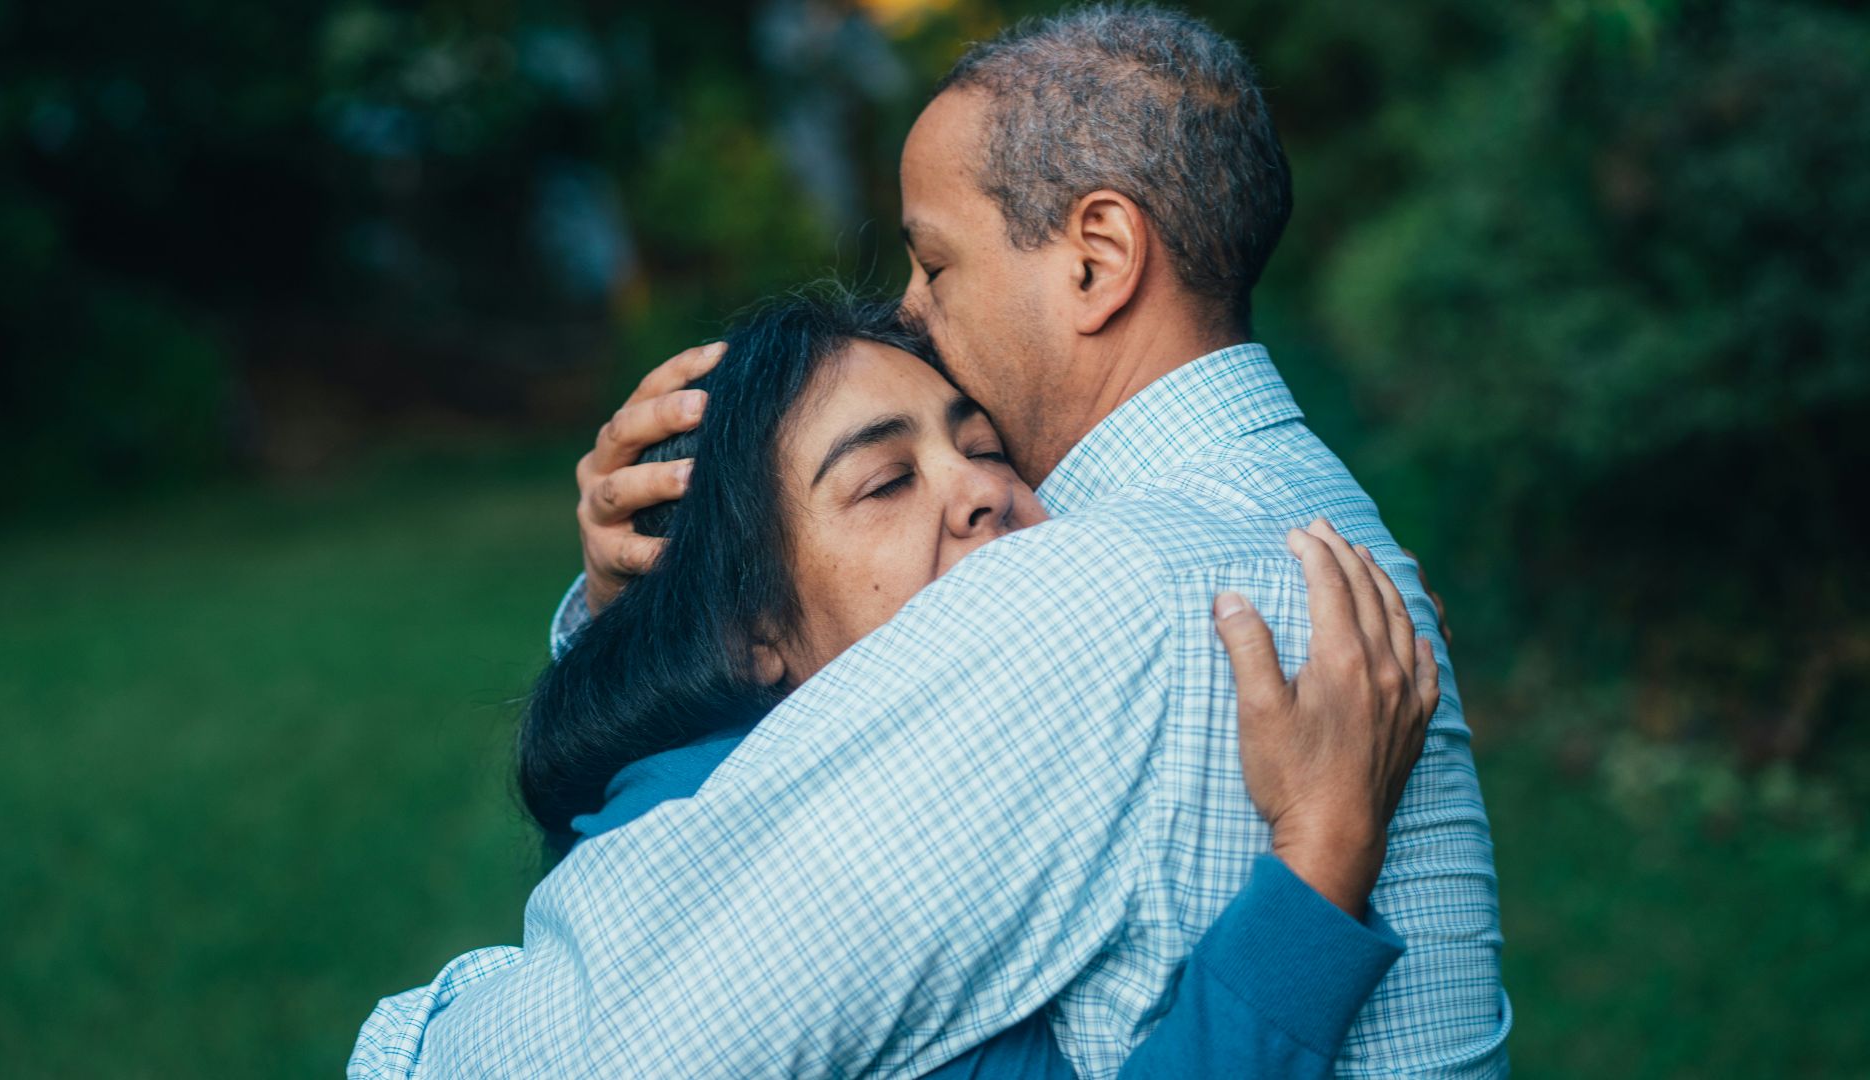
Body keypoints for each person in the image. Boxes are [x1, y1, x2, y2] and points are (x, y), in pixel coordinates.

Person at [360, 7, 1509, 1076]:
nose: (911, 308)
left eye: (936, 260)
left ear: (1098, 257)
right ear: (749, 624)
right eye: (885, 478)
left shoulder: (1091, 595)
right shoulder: (1322, 528)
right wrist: (642, 612)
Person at [519, 294, 1430, 1078]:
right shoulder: (833, 895)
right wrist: (1323, 851)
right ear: (749, 630)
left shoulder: (673, 794)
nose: (982, 490)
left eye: (988, 447)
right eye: (885, 483)